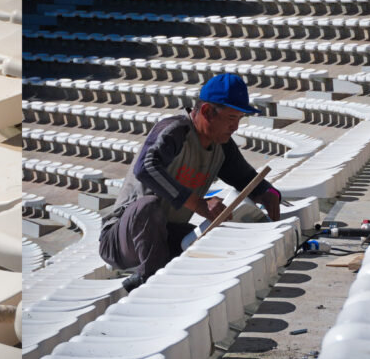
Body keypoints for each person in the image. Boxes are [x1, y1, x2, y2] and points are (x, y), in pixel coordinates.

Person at [99, 73, 282, 293]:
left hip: (167, 235)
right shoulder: (175, 130)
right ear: (206, 111)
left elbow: (246, 179)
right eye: (231, 118)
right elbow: (145, 167)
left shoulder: (221, 144)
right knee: (148, 206)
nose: (235, 127)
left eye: (240, 119)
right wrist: (201, 205)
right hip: (120, 240)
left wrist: (269, 192)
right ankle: (147, 282)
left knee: (209, 243)